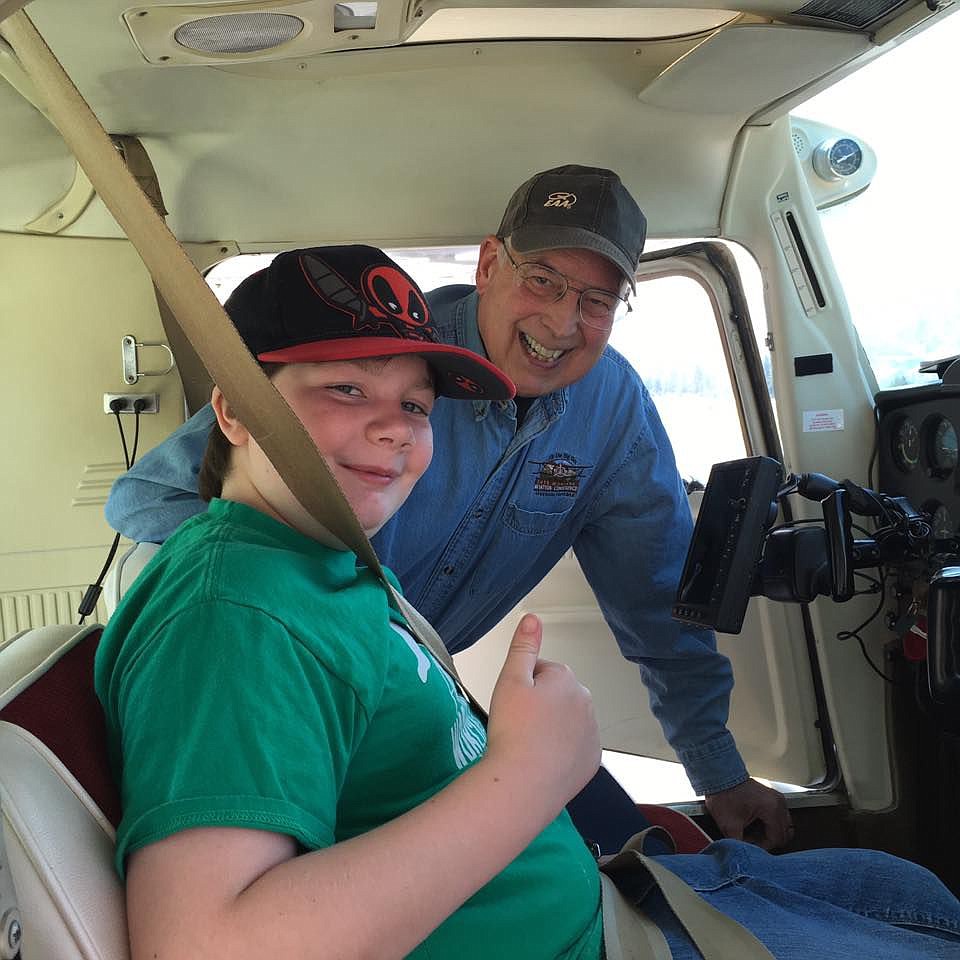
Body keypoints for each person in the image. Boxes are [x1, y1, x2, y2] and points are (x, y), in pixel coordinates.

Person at [95, 245, 960, 960]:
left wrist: (688, 770)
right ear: (236, 413)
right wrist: (533, 772)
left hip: (595, 894)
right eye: (345, 390)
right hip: (593, 940)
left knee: (908, 891)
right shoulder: (238, 609)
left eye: (415, 406)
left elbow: (654, 592)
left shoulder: (329, 560)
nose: (394, 428)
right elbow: (203, 946)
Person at [105, 165, 785, 847]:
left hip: (426, 700)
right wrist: (312, 612)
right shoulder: (386, 354)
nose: (562, 321)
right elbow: (146, 500)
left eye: (597, 300)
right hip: (328, 693)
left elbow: (654, 595)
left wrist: (719, 772)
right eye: (542, 279)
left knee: (643, 853)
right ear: (491, 263)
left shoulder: (612, 411)